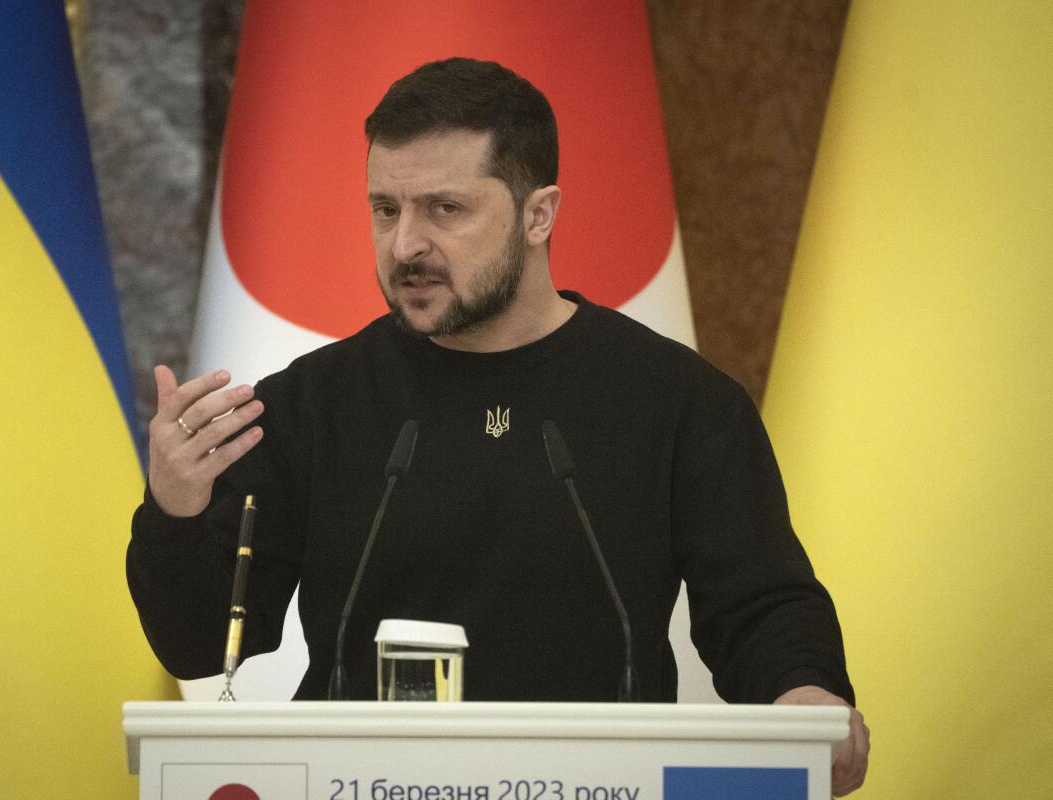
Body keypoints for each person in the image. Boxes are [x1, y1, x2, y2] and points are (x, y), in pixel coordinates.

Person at [127, 57, 868, 795]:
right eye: (386, 208)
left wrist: (805, 694)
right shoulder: (310, 405)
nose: (404, 245)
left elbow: (762, 607)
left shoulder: (680, 403)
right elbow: (198, 646)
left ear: (539, 214)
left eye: (444, 209)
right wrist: (178, 511)